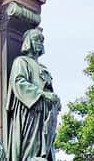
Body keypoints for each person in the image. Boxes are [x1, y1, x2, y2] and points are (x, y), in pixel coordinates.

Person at [6, 28, 61, 160]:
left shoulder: (43, 68)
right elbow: (19, 82)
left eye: (42, 41)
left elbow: (48, 88)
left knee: (44, 143)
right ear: (28, 42)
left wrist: (55, 100)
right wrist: (42, 94)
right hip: (30, 109)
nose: (40, 43)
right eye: (36, 39)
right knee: (30, 145)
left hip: (45, 113)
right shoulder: (21, 61)